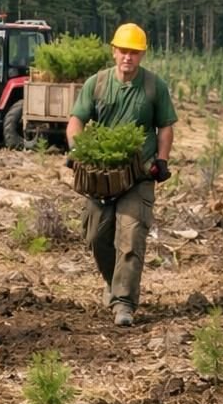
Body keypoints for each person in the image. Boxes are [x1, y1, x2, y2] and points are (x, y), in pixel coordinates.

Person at [66, 23, 177, 327]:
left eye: (134, 52)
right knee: (97, 236)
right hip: (102, 175)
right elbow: (76, 120)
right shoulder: (97, 84)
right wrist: (77, 149)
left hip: (138, 176)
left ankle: (124, 303)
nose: (128, 57)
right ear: (114, 51)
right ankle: (113, 284)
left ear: (141, 55)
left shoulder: (154, 87)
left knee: (130, 238)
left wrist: (162, 160)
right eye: (123, 51)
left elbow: (165, 126)